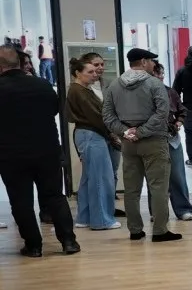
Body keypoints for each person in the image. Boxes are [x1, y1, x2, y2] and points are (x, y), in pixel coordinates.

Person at [0, 45, 79, 256]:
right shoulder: (42, 85)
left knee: (21, 200)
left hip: (11, 155)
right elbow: (54, 110)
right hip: (47, 150)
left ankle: (34, 246)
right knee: (55, 196)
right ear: (18, 62)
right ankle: (69, 242)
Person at [103, 48, 179, 242]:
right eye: (152, 61)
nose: (154, 64)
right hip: (154, 141)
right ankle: (160, 230)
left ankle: (135, 230)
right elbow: (162, 113)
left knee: (131, 189)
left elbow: (108, 116)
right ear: (144, 62)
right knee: (159, 187)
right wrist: (142, 131)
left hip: (128, 143)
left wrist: (126, 131)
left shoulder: (113, 86)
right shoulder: (154, 84)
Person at [66, 56, 119, 231]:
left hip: (88, 134)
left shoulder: (82, 90)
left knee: (89, 178)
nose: (94, 74)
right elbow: (97, 117)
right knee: (100, 178)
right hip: (91, 134)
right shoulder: (78, 91)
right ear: (78, 73)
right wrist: (112, 133)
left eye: (96, 71)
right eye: (90, 72)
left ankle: (85, 217)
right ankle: (101, 220)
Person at [156, 61, 192, 222]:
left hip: (172, 139)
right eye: (157, 74)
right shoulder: (143, 94)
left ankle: (183, 208)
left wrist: (178, 122)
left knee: (177, 175)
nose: (160, 77)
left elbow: (182, 110)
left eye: (162, 74)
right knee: (156, 177)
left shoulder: (170, 92)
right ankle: (157, 210)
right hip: (153, 139)